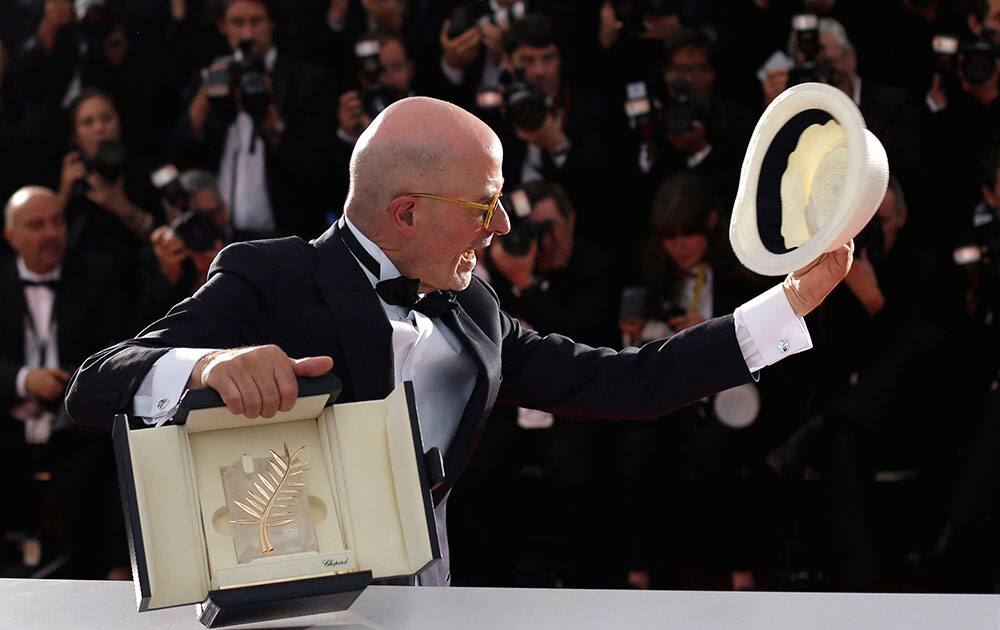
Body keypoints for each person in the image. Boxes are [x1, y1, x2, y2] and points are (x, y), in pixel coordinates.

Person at [66, 96, 852, 587]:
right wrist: (211, 363)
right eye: (484, 205)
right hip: (288, 597)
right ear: (407, 213)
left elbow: (628, 383)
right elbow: (98, 383)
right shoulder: (270, 277)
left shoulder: (474, 302)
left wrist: (786, 304)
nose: (505, 227)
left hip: (429, 586)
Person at [1, 186, 128, 579]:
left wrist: (72, 381)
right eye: (36, 225)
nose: (50, 233)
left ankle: (111, 571)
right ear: (11, 237)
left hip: (76, 419)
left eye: (57, 221)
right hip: (9, 418)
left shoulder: (99, 273)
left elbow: (117, 348)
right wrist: (25, 380)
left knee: (113, 445)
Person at [168, 0, 336, 240]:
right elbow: (181, 153)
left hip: (289, 235)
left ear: (272, 23)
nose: (247, 33)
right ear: (222, 25)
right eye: (237, 22)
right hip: (223, 237)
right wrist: (204, 97)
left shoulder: (305, 80)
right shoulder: (209, 78)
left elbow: (318, 170)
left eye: (256, 21)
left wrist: (271, 119)